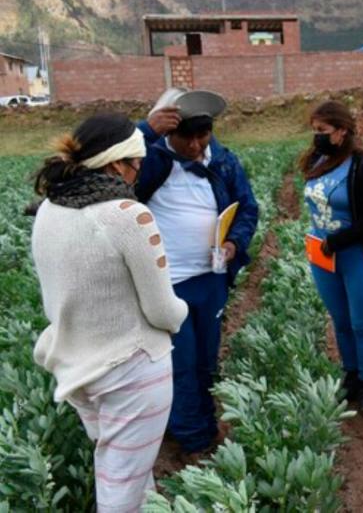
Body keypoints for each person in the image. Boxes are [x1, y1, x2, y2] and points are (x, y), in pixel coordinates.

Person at [30, 113, 188, 512]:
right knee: (121, 492)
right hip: (131, 370)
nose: (139, 174)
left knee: (129, 476)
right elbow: (163, 312)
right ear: (118, 164)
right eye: (137, 164)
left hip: (79, 368)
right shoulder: (126, 215)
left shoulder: (49, 207)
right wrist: (186, 306)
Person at [135, 89, 259, 456]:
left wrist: (235, 241)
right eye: (184, 137)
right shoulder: (149, 160)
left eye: (201, 136)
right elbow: (105, 174)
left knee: (206, 357)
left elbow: (247, 207)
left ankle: (201, 423)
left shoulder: (222, 160)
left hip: (211, 277)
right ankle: (192, 437)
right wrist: (145, 130)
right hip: (167, 282)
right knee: (181, 361)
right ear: (168, 134)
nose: (193, 145)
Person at [300, 100, 363, 417]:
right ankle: (351, 375)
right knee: (340, 322)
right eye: (315, 130)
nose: (317, 137)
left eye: (322, 131)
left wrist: (338, 240)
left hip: (355, 255)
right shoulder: (318, 161)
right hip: (322, 257)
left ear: (341, 131)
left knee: (361, 323)